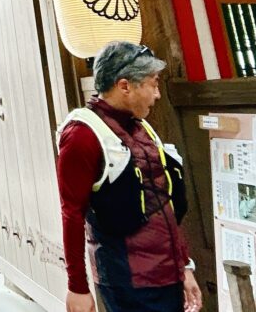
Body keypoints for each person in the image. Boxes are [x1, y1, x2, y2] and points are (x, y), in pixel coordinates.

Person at [57, 41, 201, 312]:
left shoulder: (141, 127)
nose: (157, 95)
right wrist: (77, 287)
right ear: (125, 86)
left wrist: (184, 266)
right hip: (128, 281)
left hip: (167, 274)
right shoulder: (82, 136)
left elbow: (163, 203)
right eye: (153, 84)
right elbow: (72, 213)